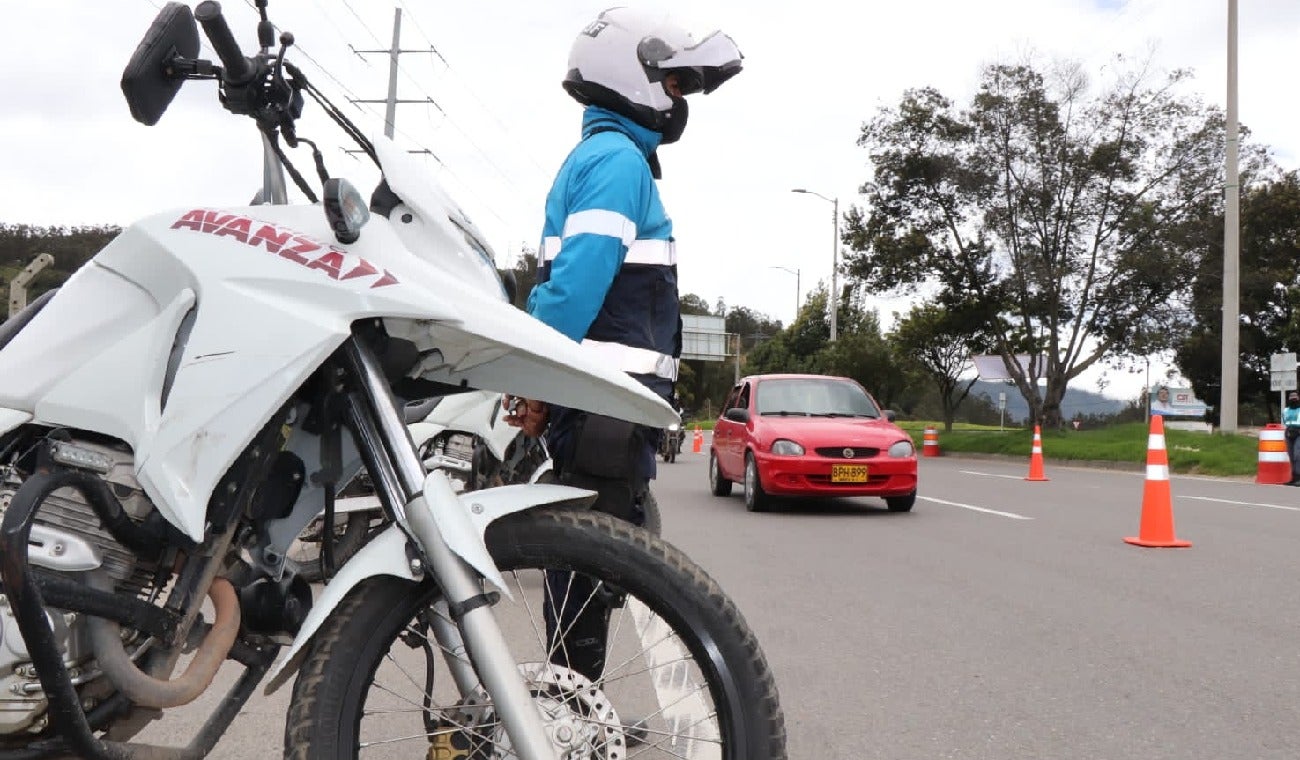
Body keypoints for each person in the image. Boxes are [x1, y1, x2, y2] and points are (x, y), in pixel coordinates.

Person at [503, 8, 743, 683]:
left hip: (602, 406)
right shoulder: (615, 163)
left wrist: (538, 385)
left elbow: (568, 292)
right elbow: (575, 290)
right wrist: (527, 377)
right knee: (590, 568)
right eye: (670, 83)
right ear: (628, 76)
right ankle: (569, 716)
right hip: (606, 407)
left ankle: (573, 705)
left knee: (589, 567)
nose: (676, 100)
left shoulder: (607, 158)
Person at [1284, 391, 1300, 485]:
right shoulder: (1286, 410)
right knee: (1291, 456)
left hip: (1299, 433)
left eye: (1295, 397)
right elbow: (1285, 421)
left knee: (1297, 455)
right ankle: (1293, 478)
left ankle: (1299, 477)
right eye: (1291, 397)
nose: (1293, 399)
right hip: (1289, 433)